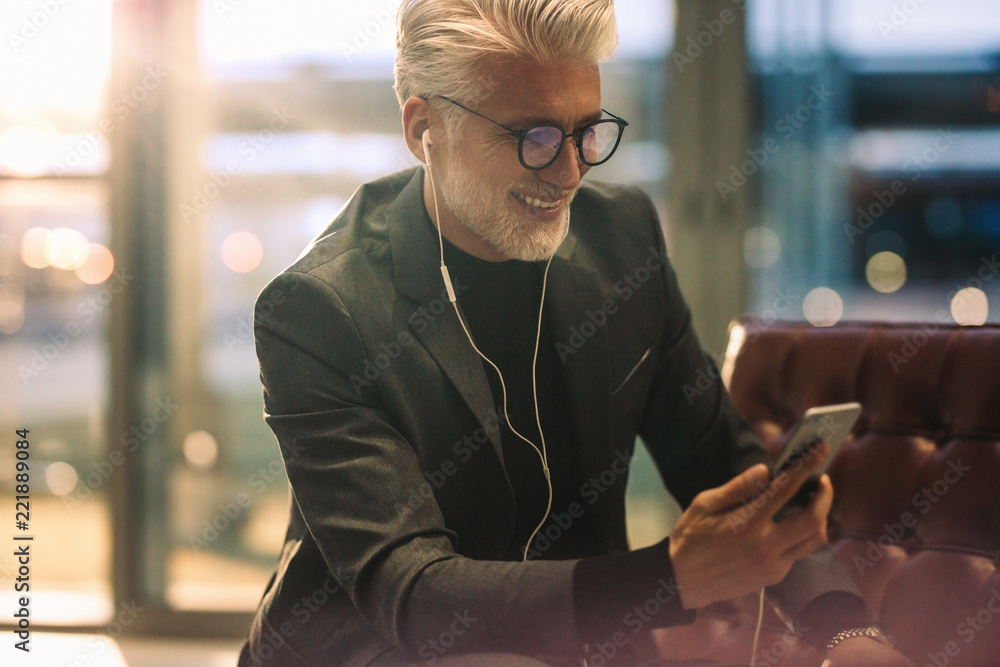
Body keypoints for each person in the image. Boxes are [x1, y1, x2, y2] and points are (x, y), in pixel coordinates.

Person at [238, 1, 915, 665]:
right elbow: (415, 592)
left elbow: (722, 458)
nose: (569, 172)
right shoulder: (320, 309)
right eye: (533, 137)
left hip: (583, 639)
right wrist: (673, 578)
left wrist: (844, 630)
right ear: (424, 128)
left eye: (587, 132)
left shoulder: (621, 238)